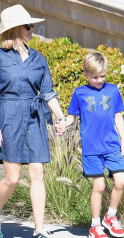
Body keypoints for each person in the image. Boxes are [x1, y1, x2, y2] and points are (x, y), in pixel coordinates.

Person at [0, 4, 66, 238]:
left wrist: (60, 117)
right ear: (16, 29)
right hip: (7, 116)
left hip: (34, 117)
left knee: (37, 174)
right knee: (12, 177)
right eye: (28, 26)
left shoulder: (39, 59)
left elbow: (48, 93)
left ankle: (40, 229)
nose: (32, 29)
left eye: (32, 25)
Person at [61, 51, 124, 238]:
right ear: (86, 74)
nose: (99, 80)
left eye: (103, 76)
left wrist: (123, 140)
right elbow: (72, 117)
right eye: (95, 77)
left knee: (121, 182)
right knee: (99, 187)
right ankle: (95, 225)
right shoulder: (79, 93)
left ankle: (110, 216)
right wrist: (63, 123)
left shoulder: (113, 90)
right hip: (91, 149)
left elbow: (117, 116)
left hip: (112, 146)